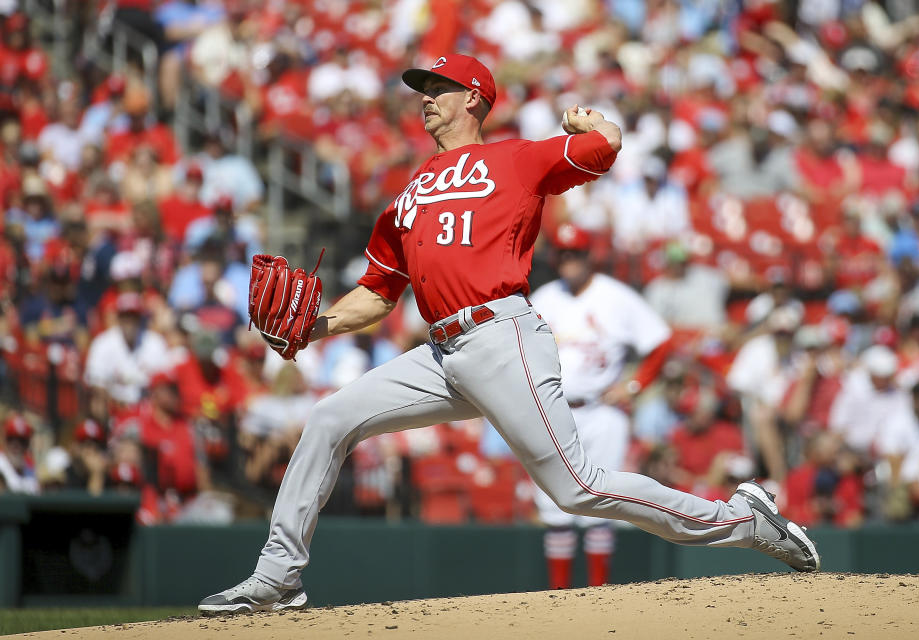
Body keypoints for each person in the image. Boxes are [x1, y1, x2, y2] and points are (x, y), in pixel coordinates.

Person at [199, 53, 820, 615]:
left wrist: (590, 121)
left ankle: (742, 519)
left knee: (576, 490)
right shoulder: (408, 195)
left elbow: (606, 146)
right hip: (440, 351)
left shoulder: (517, 158)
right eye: (422, 88)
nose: (425, 97)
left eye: (438, 87)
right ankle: (278, 577)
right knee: (329, 418)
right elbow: (377, 295)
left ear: (473, 97)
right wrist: (318, 323)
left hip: (502, 335)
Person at [528, 222, 672, 589]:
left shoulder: (616, 297)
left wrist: (636, 384)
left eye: (575, 253)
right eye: (562, 253)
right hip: (552, 410)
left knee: (601, 505)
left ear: (589, 256)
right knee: (554, 509)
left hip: (602, 411)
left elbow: (660, 342)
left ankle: (599, 597)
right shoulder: (544, 298)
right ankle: (558, 597)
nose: (568, 259)